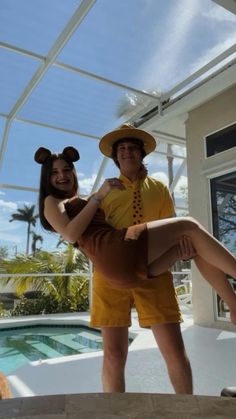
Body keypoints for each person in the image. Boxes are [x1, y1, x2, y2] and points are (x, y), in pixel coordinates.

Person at [35, 142, 236, 393]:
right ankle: (232, 301)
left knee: (174, 350)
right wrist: (99, 196)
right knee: (114, 355)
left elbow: (166, 227)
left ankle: (187, 408)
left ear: (143, 153)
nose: (126, 152)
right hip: (115, 266)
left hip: (145, 265)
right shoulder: (97, 194)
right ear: (115, 158)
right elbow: (80, 235)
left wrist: (177, 250)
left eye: (132, 147)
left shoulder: (158, 189)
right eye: (120, 149)